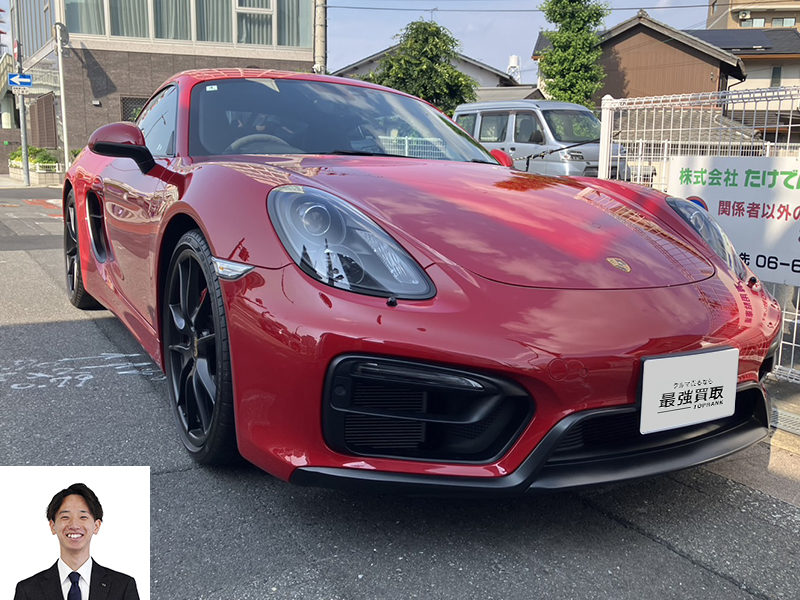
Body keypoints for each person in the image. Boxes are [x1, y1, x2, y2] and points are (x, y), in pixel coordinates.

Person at [14, 483, 139, 600]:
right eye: (65, 517)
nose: (74, 525)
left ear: (96, 526)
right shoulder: (28, 590)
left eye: (83, 517)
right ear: (52, 526)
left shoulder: (123, 587)